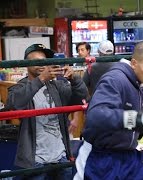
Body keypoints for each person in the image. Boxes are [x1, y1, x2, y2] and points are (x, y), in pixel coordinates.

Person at [74, 40, 143, 180]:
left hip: (128, 157)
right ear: (134, 63)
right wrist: (138, 119)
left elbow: (132, 125)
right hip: (101, 160)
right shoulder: (115, 79)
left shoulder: (139, 84)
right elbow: (96, 116)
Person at [6, 44, 88, 179]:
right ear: (26, 63)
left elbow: (81, 97)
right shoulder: (19, 87)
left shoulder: (57, 86)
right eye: (37, 60)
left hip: (61, 156)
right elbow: (15, 103)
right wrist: (41, 79)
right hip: (35, 160)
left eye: (44, 60)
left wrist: (74, 79)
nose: (42, 64)